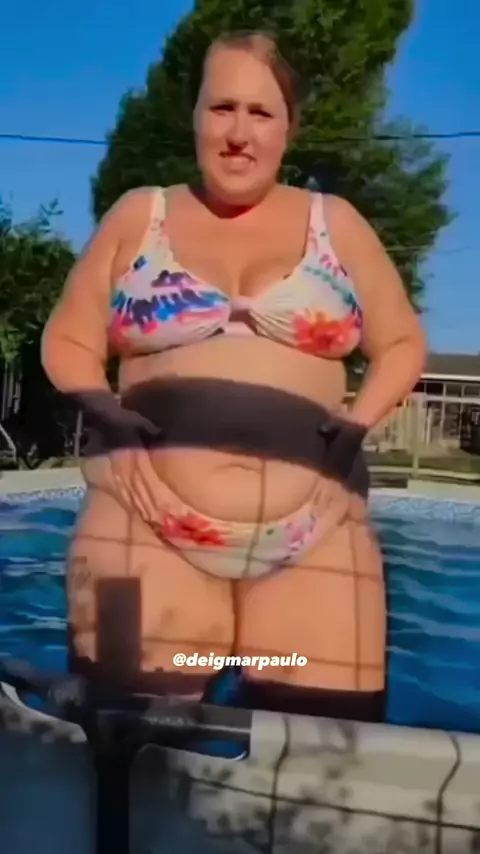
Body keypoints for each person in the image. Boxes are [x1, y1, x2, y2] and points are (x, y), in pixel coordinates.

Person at [41, 31, 426, 722]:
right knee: (132, 744)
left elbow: (401, 344)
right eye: (222, 108)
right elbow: (67, 340)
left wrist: (356, 422)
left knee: (319, 751)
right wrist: (107, 414)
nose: (239, 133)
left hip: (314, 532)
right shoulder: (141, 215)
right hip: (146, 522)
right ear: (194, 115)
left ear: (289, 128)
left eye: (260, 112)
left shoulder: (335, 225)